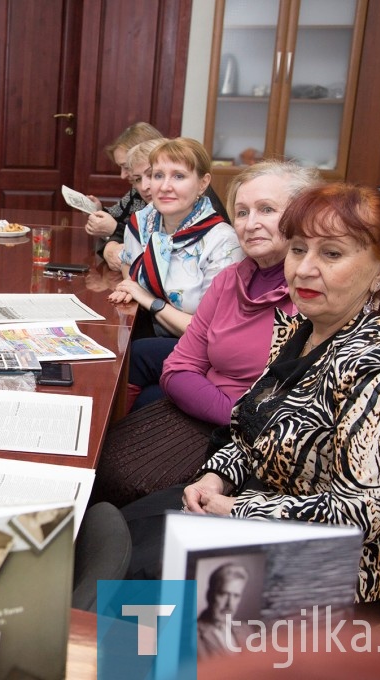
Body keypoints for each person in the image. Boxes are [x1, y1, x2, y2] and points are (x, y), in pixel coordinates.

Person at [180, 183, 380, 604]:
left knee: (146, 595)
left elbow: (359, 514)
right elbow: (255, 426)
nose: (303, 269)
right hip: (264, 516)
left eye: (332, 253)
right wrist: (216, 477)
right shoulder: (303, 328)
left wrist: (235, 510)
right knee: (130, 544)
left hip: (344, 567)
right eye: (298, 249)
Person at [91, 162, 319, 507]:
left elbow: (282, 415)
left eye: (267, 210)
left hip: (245, 444)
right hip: (215, 414)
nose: (250, 223)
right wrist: (228, 406)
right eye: (241, 212)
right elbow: (179, 366)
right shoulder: (232, 279)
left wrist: (228, 411)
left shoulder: (310, 295)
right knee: (99, 460)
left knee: (123, 484)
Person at [109, 137, 241, 338]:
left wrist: (148, 300)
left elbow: (208, 332)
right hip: (138, 330)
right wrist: (131, 286)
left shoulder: (223, 241)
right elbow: (128, 264)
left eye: (178, 176)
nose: (164, 186)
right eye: (158, 175)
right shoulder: (142, 221)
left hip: (194, 351)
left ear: (203, 183)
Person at [84, 122, 163, 263]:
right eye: (138, 178)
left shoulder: (178, 201)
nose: (123, 175)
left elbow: (157, 247)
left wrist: (114, 231)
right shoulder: (138, 189)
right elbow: (118, 218)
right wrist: (99, 211)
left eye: (126, 166)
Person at [99, 138, 163, 270]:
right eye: (137, 179)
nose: (144, 186)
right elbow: (122, 228)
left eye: (151, 175)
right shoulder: (146, 213)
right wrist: (109, 249)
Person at [197, 563, 253, 658]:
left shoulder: (246, 630)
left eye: (236, 596)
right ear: (209, 595)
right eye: (223, 594)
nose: (229, 604)